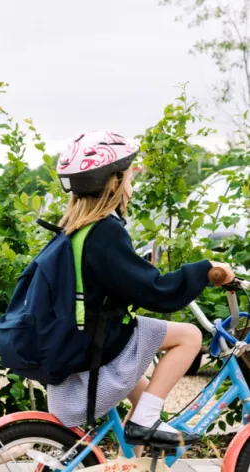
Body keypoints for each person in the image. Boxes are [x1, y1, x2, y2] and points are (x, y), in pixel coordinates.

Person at [48, 130, 233, 444]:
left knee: (147, 392)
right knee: (189, 336)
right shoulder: (105, 232)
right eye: (130, 178)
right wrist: (204, 271)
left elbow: (118, 281)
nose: (132, 186)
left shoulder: (76, 230)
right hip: (97, 344)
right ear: (114, 182)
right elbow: (156, 292)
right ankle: (143, 423)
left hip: (78, 341)